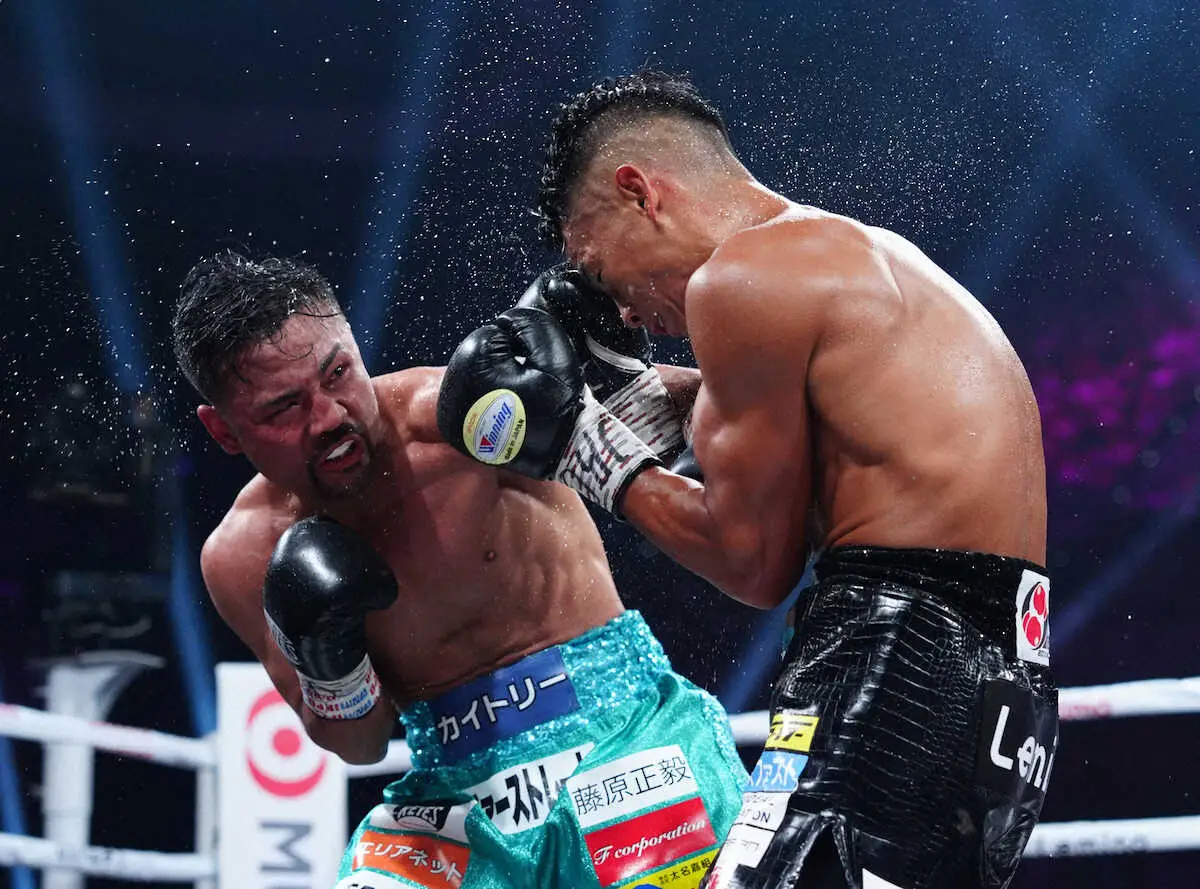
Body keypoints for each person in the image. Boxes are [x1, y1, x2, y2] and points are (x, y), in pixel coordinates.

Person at [435, 72, 1056, 889]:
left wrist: (585, 450)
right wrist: (630, 398)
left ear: (640, 193)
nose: (622, 310)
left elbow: (754, 562)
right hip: (998, 684)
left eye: (598, 264)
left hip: (894, 663)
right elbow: (795, 450)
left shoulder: (742, 278)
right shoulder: (849, 256)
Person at [171, 250, 748, 889]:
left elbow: (720, 404)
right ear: (224, 431)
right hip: (451, 796)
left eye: (338, 373)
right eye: (285, 407)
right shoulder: (244, 555)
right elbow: (361, 744)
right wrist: (331, 659)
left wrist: (647, 408)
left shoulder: (466, 415)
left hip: (624, 732)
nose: (329, 415)